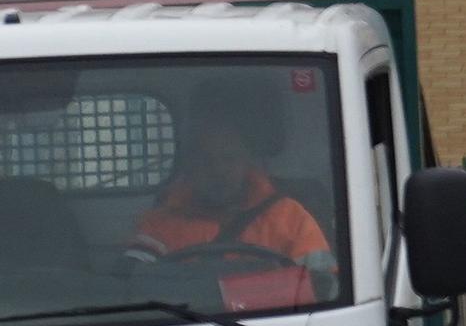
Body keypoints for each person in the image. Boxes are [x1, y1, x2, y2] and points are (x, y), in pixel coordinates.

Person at [127, 84, 332, 278]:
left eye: (229, 158)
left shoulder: (290, 218)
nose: (218, 170)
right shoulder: (159, 225)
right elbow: (132, 284)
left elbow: (324, 285)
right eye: (206, 160)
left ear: (246, 162)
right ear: (189, 166)